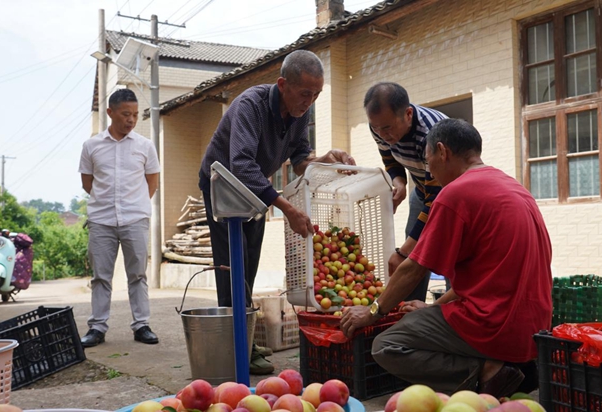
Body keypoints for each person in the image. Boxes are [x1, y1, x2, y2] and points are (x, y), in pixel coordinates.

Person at [340, 119, 552, 398]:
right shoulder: (513, 187)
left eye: (429, 162)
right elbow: (486, 277)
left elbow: (413, 269)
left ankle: (489, 369)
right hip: (535, 330)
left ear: (442, 151)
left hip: (495, 326)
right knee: (423, 318)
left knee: (386, 345)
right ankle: (512, 367)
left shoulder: (455, 193)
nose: (431, 173)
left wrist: (373, 312)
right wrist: (435, 307)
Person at [199, 50, 355, 374]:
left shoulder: (298, 116)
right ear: (283, 84)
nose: (309, 102)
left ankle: (243, 339)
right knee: (232, 263)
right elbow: (241, 164)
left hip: (253, 190)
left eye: (316, 95)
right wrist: (285, 208)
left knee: (250, 263)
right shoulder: (250, 105)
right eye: (304, 94)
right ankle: (234, 349)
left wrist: (325, 158)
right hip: (222, 184)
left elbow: (300, 161)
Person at [78, 88, 161, 347]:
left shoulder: (145, 146)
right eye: (126, 114)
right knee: (100, 276)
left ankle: (141, 325)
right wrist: (108, 203)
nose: (131, 120)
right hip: (101, 220)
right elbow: (87, 182)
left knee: (137, 275)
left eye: (135, 115)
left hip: (135, 219)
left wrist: (133, 205)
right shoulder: (91, 146)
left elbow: (152, 182)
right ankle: (97, 328)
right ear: (110, 112)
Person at [364, 82, 449, 302]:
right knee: (415, 258)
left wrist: (403, 251)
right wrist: (399, 182)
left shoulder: (432, 135)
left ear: (408, 114)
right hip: (423, 190)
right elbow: (389, 157)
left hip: (449, 196)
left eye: (388, 128)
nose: (382, 135)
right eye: (377, 129)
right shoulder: (378, 125)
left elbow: (436, 201)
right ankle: (410, 310)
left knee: (445, 252)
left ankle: (450, 314)